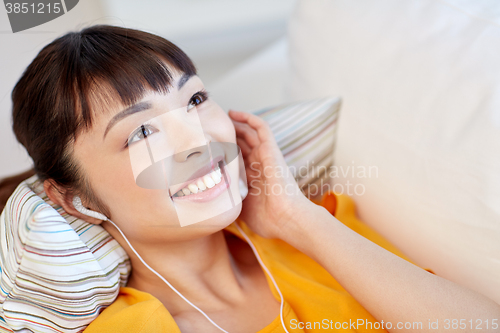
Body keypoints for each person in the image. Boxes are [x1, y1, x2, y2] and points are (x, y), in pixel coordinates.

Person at [1, 25, 499, 333]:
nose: (197, 140)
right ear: (75, 200)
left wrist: (295, 219)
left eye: (195, 100)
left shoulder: (320, 231)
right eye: (142, 133)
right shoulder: (134, 328)